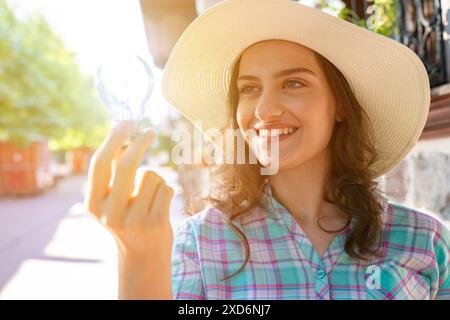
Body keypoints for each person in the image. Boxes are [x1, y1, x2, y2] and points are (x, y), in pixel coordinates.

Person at [84, 0, 450, 300]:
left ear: (339, 104)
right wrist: (139, 258)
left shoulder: (424, 239)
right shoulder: (200, 243)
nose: (264, 110)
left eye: (293, 83)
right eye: (249, 89)